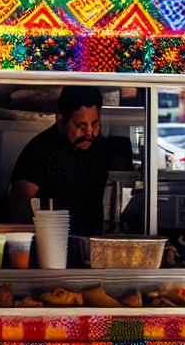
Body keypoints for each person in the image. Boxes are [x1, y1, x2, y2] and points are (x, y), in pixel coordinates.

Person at [8, 86, 109, 236]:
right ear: (60, 120)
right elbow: (19, 200)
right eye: (80, 126)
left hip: (90, 245)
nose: (89, 134)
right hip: (53, 247)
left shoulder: (98, 146)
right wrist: (38, 244)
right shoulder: (40, 151)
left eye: (95, 125)